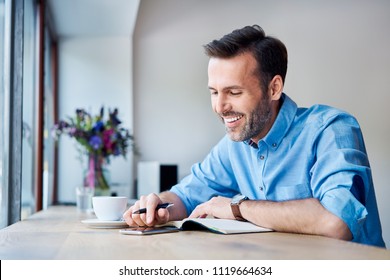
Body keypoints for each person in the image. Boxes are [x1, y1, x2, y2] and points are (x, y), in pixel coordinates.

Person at [123, 25, 385, 248]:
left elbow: (336, 222)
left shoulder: (330, 129)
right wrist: (158, 206)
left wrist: (238, 208)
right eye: (214, 92)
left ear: (274, 88)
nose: (220, 107)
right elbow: (186, 196)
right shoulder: (234, 145)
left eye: (234, 92)